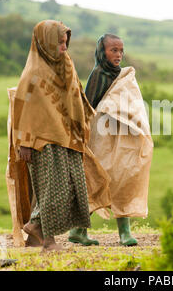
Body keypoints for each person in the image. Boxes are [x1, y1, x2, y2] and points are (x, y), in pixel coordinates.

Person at [13, 20, 98, 252]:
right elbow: (23, 110)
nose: (64, 47)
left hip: (68, 138)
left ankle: (36, 227)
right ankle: (48, 242)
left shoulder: (65, 66)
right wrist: (25, 142)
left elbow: (76, 97)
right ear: (45, 44)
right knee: (50, 192)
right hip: (43, 142)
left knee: (70, 189)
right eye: (59, 43)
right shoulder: (33, 73)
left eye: (65, 42)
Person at [80, 33, 153, 246]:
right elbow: (89, 106)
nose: (119, 54)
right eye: (113, 50)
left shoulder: (123, 75)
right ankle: (79, 230)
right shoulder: (98, 74)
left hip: (123, 138)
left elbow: (133, 104)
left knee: (124, 177)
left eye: (121, 50)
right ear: (102, 52)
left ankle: (124, 232)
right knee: (97, 180)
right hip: (101, 138)